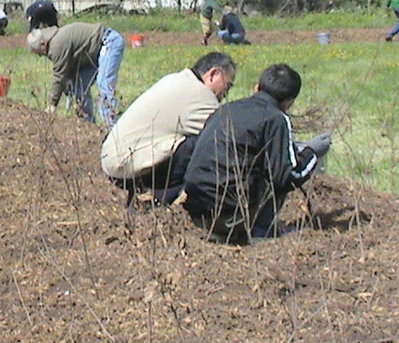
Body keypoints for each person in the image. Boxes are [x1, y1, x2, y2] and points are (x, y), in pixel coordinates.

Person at [182, 63, 332, 245]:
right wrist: (312, 152)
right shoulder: (276, 119)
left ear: (257, 88)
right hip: (228, 214)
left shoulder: (227, 109)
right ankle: (257, 230)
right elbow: (286, 177)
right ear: (289, 102)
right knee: (277, 167)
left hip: (194, 206)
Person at [101, 53, 237, 206]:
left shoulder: (176, 79)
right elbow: (229, 134)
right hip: (128, 169)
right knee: (207, 143)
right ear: (213, 74)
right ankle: (161, 199)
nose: (226, 94)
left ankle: (151, 194)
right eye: (228, 85)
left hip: (113, 163)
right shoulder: (200, 94)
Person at [26, 22, 125, 127]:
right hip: (94, 53)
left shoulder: (56, 45)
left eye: (39, 52)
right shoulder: (54, 41)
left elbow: (59, 77)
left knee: (104, 83)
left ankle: (112, 127)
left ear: (42, 43)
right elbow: (68, 70)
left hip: (109, 42)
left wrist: (52, 104)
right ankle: (88, 127)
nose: (41, 55)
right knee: (78, 86)